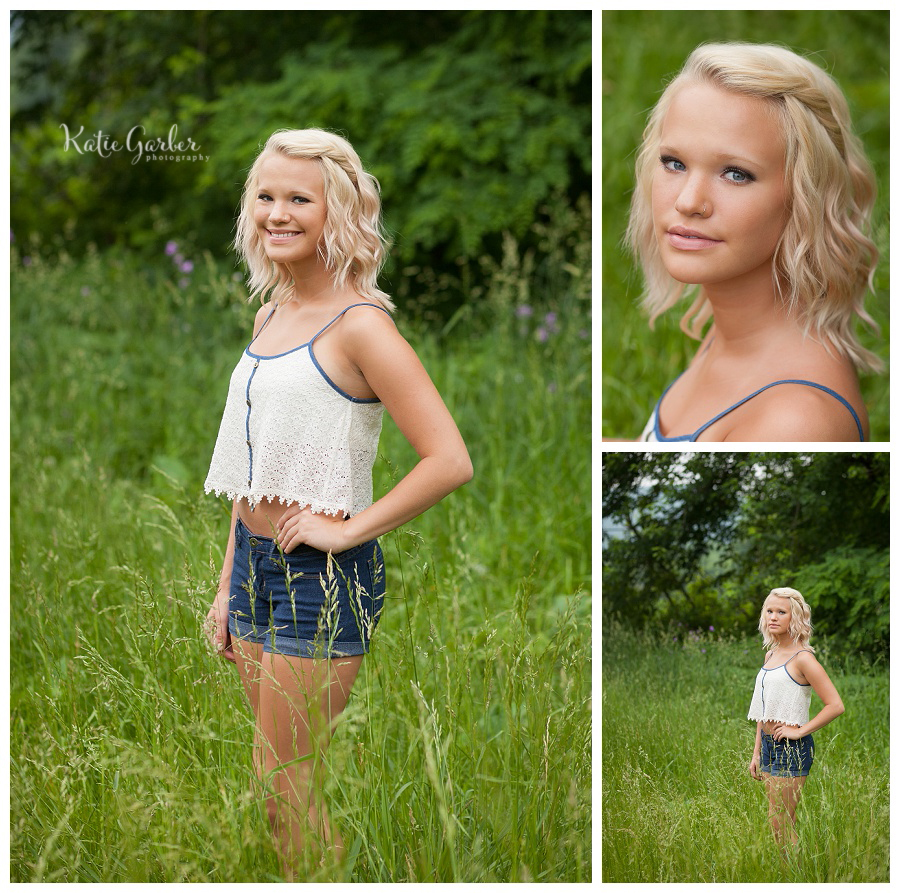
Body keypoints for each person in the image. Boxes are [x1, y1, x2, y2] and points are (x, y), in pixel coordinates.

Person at [203, 128, 473, 877]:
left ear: (339, 214)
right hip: (257, 566)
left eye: (299, 198)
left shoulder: (362, 326)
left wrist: (347, 527)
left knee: (286, 784)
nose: (277, 213)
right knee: (277, 786)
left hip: (318, 581)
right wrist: (228, 582)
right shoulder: (269, 316)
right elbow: (254, 465)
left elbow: (450, 458)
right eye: (265, 196)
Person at [623, 42, 882, 442]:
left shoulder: (796, 421)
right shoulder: (735, 327)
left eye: (735, 174)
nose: (688, 201)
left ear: (804, 197)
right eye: (674, 163)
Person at [747, 587, 844, 858]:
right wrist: (756, 752)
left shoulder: (803, 658)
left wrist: (799, 730)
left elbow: (836, 705)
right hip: (768, 745)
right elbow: (764, 708)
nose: (773, 617)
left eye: (781, 612)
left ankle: (798, 878)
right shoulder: (771, 654)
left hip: (790, 749)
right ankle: (792, 875)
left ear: (796, 618)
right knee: (777, 824)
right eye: (769, 611)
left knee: (780, 823)